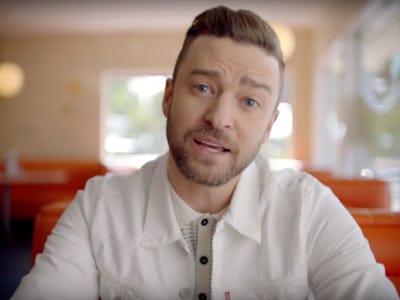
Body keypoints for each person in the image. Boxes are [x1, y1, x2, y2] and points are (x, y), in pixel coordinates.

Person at [11, 5, 398, 300]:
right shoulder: (97, 210)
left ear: (268, 127)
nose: (219, 118)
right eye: (202, 88)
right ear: (168, 97)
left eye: (249, 101)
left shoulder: (310, 210)